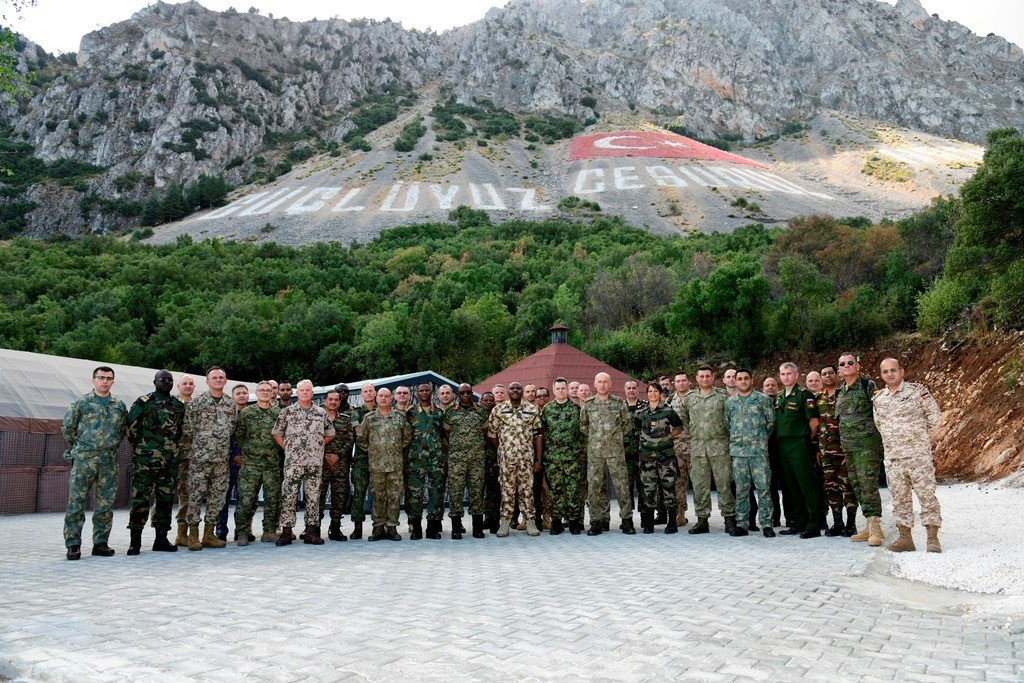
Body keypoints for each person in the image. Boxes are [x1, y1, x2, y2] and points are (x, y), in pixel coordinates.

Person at [873, 358, 944, 553]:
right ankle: (906, 539)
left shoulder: (917, 392)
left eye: (893, 370)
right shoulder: (879, 400)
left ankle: (932, 538)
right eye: (885, 371)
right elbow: (880, 427)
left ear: (902, 371)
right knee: (899, 499)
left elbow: (935, 419)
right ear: (881, 375)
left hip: (918, 457)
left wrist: (917, 438)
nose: (890, 374)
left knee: (927, 496)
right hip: (894, 459)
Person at [62, 366, 128, 560]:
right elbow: (68, 428)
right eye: (101, 378)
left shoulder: (119, 405)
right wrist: (81, 448)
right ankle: (73, 543)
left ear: (113, 381)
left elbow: (122, 430)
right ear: (93, 380)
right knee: (76, 502)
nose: (105, 381)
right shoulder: (81, 403)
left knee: (105, 504)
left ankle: (101, 542)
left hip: (108, 461)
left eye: (109, 378)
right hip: (84, 460)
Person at [125, 369, 185, 555]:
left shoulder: (177, 405)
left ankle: (161, 539)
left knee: (165, 500)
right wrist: (143, 448)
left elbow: (181, 430)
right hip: (146, 461)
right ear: (155, 382)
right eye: (162, 380)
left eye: (169, 380)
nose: (166, 383)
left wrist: (169, 449)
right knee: (140, 499)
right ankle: (135, 541)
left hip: (169, 461)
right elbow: (130, 428)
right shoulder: (144, 402)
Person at [272, 380, 335, 546]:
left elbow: (330, 434)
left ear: (312, 393)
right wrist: (288, 448)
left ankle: (311, 531)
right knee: (289, 495)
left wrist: (318, 446)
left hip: (314, 462)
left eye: (308, 390)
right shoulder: (287, 412)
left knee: (313, 496)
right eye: (302, 390)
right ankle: (286, 532)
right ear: (297, 393)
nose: (305, 393)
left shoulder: (321, 413)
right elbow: (277, 433)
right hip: (293, 462)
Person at [182, 367, 237, 551]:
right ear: (207, 381)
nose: (218, 380)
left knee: (217, 497)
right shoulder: (197, 403)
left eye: (221, 377)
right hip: (200, 460)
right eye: (214, 378)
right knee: (195, 497)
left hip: (221, 460)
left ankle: (208, 534)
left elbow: (232, 429)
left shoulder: (230, 404)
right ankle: (193, 535)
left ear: (225, 380)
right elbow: (188, 430)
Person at [835, 353, 885, 545]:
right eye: (842, 364)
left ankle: (876, 528)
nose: (846, 366)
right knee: (856, 485)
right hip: (848, 447)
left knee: (868, 485)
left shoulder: (867, 386)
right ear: (839, 369)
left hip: (867, 446)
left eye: (850, 362)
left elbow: (880, 411)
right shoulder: (840, 390)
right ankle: (868, 525)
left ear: (857, 366)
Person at [679, 366, 734, 534]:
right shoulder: (689, 398)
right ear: (696, 379)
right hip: (698, 448)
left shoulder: (723, 396)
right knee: (699, 485)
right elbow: (685, 419)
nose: (705, 379)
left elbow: (730, 418)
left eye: (707, 376)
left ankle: (729, 519)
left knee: (724, 483)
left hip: (720, 447)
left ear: (713, 377)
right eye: (701, 376)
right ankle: (702, 520)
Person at [580, 372, 635, 535]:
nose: (602, 385)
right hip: (595, 453)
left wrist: (614, 438)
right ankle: (597, 521)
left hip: (615, 452)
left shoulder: (619, 403)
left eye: (605, 382)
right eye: (599, 382)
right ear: (595, 385)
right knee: (595, 488)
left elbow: (627, 425)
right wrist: (597, 438)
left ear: (610, 384)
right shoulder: (588, 404)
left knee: (622, 486)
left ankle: (627, 520)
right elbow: (583, 426)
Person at [723, 369, 776, 538]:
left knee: (764, 488)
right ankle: (742, 524)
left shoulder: (762, 399)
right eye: (740, 379)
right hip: (738, 453)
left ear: (752, 380)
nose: (743, 381)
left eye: (746, 378)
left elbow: (770, 423)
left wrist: (758, 439)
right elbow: (727, 424)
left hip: (758, 452)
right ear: (735, 382)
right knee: (741, 490)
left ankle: (767, 524)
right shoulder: (730, 402)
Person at [487, 381, 543, 537]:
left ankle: (530, 521)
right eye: (512, 388)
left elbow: (538, 435)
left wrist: (538, 459)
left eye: (519, 388)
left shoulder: (532, 409)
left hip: (526, 459)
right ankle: (504, 522)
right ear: (508, 391)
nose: (516, 391)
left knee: (527, 491)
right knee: (507, 490)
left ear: (522, 391)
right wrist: (504, 449)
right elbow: (492, 435)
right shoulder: (498, 410)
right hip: (506, 460)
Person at [356, 388, 412, 541]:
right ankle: (378, 527)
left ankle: (392, 527)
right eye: (381, 396)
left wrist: (394, 449)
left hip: (395, 465)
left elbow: (407, 437)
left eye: (387, 396)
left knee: (394, 496)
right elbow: (361, 439)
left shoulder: (399, 417)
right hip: (376, 465)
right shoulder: (369, 418)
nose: (383, 399)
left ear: (391, 398)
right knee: (378, 496)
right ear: (376, 398)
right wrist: (375, 451)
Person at [775, 362, 821, 539]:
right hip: (783, 445)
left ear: (796, 375)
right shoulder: (779, 397)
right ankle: (798, 522)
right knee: (791, 486)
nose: (786, 377)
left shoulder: (804, 394)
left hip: (799, 443)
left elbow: (814, 422)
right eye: (783, 374)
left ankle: (813, 525)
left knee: (807, 485)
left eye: (789, 373)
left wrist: (805, 440)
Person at [233, 381, 282, 544]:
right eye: (262, 390)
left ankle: (269, 531)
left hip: (271, 464)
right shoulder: (247, 413)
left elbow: (282, 435)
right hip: (251, 465)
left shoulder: (278, 413)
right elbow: (239, 435)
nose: (265, 393)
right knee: (247, 499)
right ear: (257, 392)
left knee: (273, 499)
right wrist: (248, 450)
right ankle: (243, 532)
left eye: (268, 390)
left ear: (272, 393)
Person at [634, 383, 683, 534]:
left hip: (666, 457)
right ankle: (649, 523)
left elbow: (678, 427)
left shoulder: (668, 411)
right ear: (647, 393)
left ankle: (672, 523)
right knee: (649, 489)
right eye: (650, 391)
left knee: (668, 489)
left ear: (660, 393)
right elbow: (636, 429)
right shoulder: (641, 412)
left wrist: (666, 437)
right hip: (647, 458)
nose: (653, 394)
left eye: (655, 391)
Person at [541, 378, 586, 535]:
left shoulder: (576, 409)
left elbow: (583, 433)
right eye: (558, 388)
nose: (560, 391)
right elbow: (542, 433)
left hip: (572, 458)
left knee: (573, 490)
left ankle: (574, 521)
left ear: (567, 390)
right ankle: (557, 522)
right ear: (553, 391)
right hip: (553, 459)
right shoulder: (547, 410)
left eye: (563, 388)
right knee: (556, 491)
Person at [816, 364, 857, 538]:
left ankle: (851, 524)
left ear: (837, 375)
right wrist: (817, 449)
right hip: (825, 452)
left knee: (847, 487)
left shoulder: (844, 394)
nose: (828, 376)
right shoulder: (819, 398)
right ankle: (837, 523)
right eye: (824, 374)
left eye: (831, 373)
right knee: (831, 487)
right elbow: (817, 424)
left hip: (844, 450)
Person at [445, 384, 488, 539]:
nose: (465, 395)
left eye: (468, 392)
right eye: (462, 392)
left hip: (477, 459)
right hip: (457, 460)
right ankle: (456, 528)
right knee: (455, 493)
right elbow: (447, 432)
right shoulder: (450, 412)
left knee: (477, 492)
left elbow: (484, 431)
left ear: (472, 393)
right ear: (457, 394)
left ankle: (477, 529)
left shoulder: (480, 411)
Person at [406, 383, 448, 540]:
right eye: (421, 390)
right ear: (417, 393)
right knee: (415, 495)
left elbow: (445, 435)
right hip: (416, 461)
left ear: (432, 393)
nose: (424, 392)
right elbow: (405, 436)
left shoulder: (439, 412)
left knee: (436, 493)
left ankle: (432, 527)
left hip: (435, 461)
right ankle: (416, 527)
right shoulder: (410, 413)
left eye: (427, 390)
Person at [215, 384, 250, 542]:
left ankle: (241, 530)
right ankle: (221, 531)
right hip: (227, 463)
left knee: (245, 498)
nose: (242, 396)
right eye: (238, 393)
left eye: (244, 393)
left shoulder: (252, 414)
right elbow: (220, 438)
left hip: (248, 463)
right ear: (233, 396)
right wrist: (233, 456)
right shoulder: (226, 414)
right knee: (224, 498)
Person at [320, 387, 355, 542]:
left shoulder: (346, 419)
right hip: (320, 463)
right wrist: (326, 456)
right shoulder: (317, 417)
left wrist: (337, 455)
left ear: (339, 402)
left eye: (336, 400)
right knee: (317, 496)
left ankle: (335, 527)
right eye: (330, 399)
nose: (333, 402)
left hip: (340, 464)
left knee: (339, 497)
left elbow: (349, 440)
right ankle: (313, 527)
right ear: (325, 401)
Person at [349, 383, 377, 539]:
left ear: (375, 394)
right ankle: (357, 526)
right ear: (361, 394)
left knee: (379, 494)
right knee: (359, 493)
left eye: (370, 391)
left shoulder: (382, 411)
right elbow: (358, 432)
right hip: (361, 458)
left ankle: (378, 525)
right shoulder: (357, 412)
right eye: (365, 391)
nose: (368, 393)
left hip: (379, 459)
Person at [762, 376, 789, 528]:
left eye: (773, 385)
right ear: (763, 388)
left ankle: (791, 517)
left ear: (777, 388)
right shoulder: (759, 403)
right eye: (767, 385)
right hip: (767, 450)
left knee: (787, 486)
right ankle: (774, 517)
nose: (770, 387)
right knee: (770, 486)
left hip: (784, 448)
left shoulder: (783, 402)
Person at [173, 374, 196, 544]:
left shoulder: (197, 405)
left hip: (193, 459)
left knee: (188, 496)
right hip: (173, 458)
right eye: (185, 383)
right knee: (163, 497)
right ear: (178, 386)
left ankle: (182, 533)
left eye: (191, 384)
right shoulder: (170, 405)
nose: (188, 386)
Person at [669, 372, 692, 527]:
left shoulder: (696, 397)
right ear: (674, 383)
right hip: (677, 447)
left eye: (684, 380)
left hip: (695, 445)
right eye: (678, 381)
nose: (681, 383)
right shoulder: (670, 400)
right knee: (679, 482)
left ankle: (703, 516)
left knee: (699, 482)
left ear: (689, 382)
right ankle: (680, 513)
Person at [622, 380, 645, 521]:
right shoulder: (620, 407)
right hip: (625, 454)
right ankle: (627, 518)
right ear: (624, 390)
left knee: (644, 486)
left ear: (638, 389)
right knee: (626, 488)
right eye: (628, 388)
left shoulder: (645, 406)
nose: (631, 390)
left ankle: (645, 517)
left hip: (642, 453)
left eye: (634, 388)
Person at [479, 391, 501, 533]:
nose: (488, 402)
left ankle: (494, 520)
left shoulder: (498, 415)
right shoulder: (477, 415)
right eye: (485, 400)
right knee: (480, 491)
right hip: (479, 459)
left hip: (494, 458)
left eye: (490, 400)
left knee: (494, 491)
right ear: (481, 401)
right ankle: (484, 518)